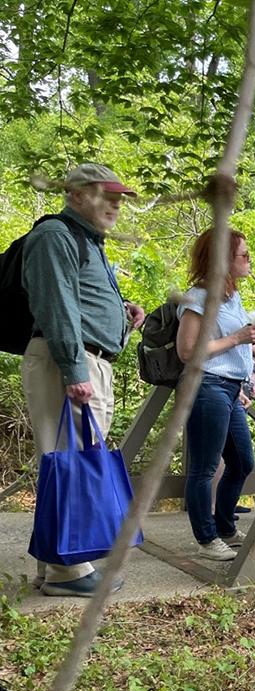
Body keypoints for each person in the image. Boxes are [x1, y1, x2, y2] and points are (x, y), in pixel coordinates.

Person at [20, 163, 146, 596]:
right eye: (103, 194)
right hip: (67, 364)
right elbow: (57, 307)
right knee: (70, 461)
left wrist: (123, 318)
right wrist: (75, 371)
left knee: (70, 461)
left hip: (86, 363)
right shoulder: (56, 236)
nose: (115, 204)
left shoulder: (88, 241)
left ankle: (54, 564)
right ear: (75, 195)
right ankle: (67, 573)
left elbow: (81, 304)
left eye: (118, 197)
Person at [177, 227, 255, 563]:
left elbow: (230, 343)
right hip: (206, 386)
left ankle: (225, 526)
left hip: (230, 389)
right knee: (204, 467)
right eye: (243, 254)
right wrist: (238, 339)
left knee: (243, 461)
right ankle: (207, 537)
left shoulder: (234, 297)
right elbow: (187, 351)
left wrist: (251, 348)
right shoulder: (199, 297)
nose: (248, 260)